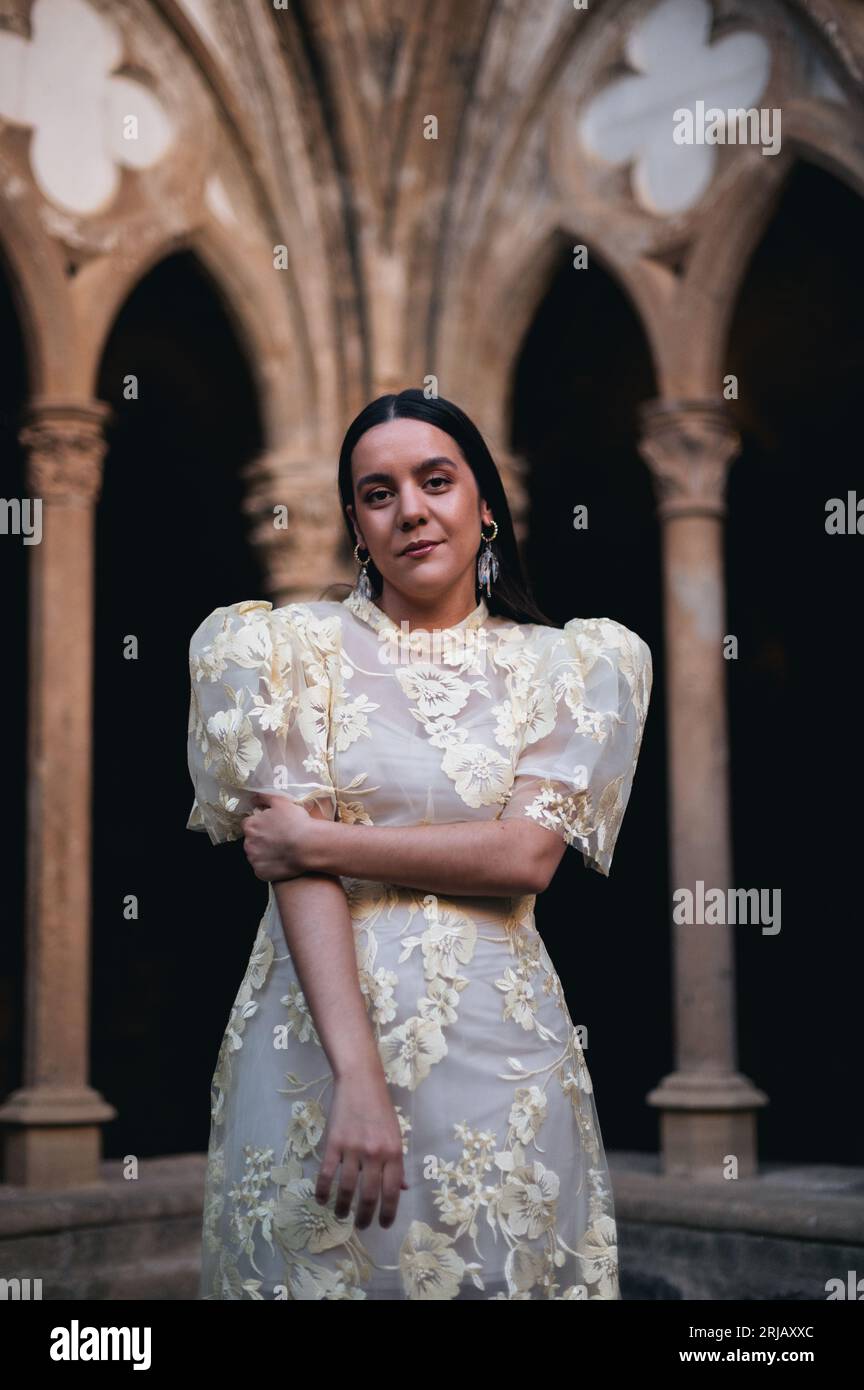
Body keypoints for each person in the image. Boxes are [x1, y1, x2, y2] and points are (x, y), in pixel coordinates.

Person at [186, 389, 652, 1300]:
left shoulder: (572, 666)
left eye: (435, 481)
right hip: (309, 1048)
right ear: (358, 524)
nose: (410, 510)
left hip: (499, 1056)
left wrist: (316, 839)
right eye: (377, 492)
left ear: (485, 505)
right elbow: (294, 879)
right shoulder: (281, 652)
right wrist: (355, 1079)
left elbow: (526, 860)